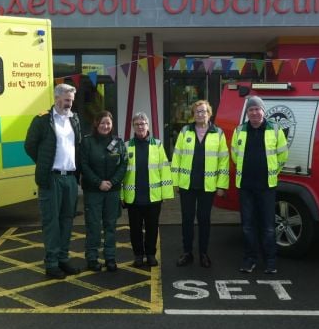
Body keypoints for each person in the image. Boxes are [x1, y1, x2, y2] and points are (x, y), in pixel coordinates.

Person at [24, 83, 82, 280]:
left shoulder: (74, 119)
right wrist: (44, 164)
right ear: (57, 98)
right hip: (51, 178)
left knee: (67, 221)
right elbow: (30, 145)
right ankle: (51, 263)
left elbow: (78, 145)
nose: (70, 103)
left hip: (70, 179)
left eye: (72, 100)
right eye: (67, 99)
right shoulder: (42, 120)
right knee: (52, 223)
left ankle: (63, 259)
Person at [231, 96, 288, 274]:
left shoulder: (275, 130)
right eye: (251, 110)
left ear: (264, 111)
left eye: (257, 109)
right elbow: (234, 155)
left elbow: (282, 156)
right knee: (247, 226)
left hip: (266, 187)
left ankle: (270, 261)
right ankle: (250, 259)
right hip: (246, 186)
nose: (254, 112)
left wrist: (272, 173)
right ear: (247, 113)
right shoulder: (239, 130)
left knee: (268, 226)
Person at [171, 100, 229, 268]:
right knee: (187, 219)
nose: (200, 114)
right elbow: (177, 158)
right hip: (187, 185)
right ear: (193, 114)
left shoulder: (218, 133)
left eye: (203, 111)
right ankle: (187, 252)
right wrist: (175, 182)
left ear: (209, 114)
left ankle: (203, 253)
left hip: (208, 186)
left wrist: (221, 185)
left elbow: (223, 161)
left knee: (204, 220)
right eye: (197, 112)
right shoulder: (185, 131)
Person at [122, 112, 174, 267]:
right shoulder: (126, 146)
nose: (140, 126)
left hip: (153, 196)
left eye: (143, 123)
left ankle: (151, 254)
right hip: (133, 197)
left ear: (148, 125)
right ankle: (138, 255)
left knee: (152, 228)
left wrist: (165, 194)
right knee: (135, 230)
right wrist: (121, 195)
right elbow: (121, 173)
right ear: (133, 127)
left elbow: (164, 170)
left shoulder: (157, 145)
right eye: (137, 124)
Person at [80, 110, 127, 272]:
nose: (105, 126)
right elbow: (83, 165)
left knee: (110, 225)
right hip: (93, 190)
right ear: (96, 124)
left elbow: (123, 165)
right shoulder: (87, 142)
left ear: (112, 125)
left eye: (108, 123)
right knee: (93, 225)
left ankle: (110, 258)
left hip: (112, 191)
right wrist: (98, 182)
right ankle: (92, 258)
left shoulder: (118, 142)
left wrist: (112, 182)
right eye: (102, 123)